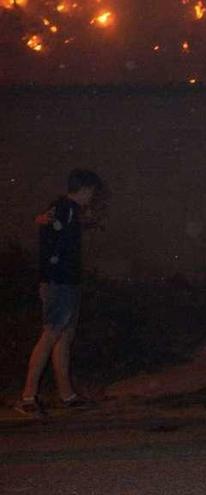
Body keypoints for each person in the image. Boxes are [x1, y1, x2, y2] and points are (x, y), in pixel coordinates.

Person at [15, 169, 104, 417]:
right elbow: (46, 221)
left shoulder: (70, 211)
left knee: (64, 336)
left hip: (67, 282)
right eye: (92, 192)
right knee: (51, 333)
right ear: (85, 189)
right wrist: (45, 220)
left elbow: (51, 225)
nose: (93, 197)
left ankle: (67, 396)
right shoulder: (65, 207)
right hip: (58, 283)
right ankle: (28, 397)